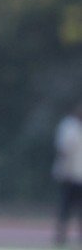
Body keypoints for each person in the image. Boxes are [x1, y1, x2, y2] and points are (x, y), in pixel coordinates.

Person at [54, 102, 82, 246]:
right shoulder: (69, 126)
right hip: (70, 175)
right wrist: (64, 169)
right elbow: (64, 149)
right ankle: (61, 237)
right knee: (65, 208)